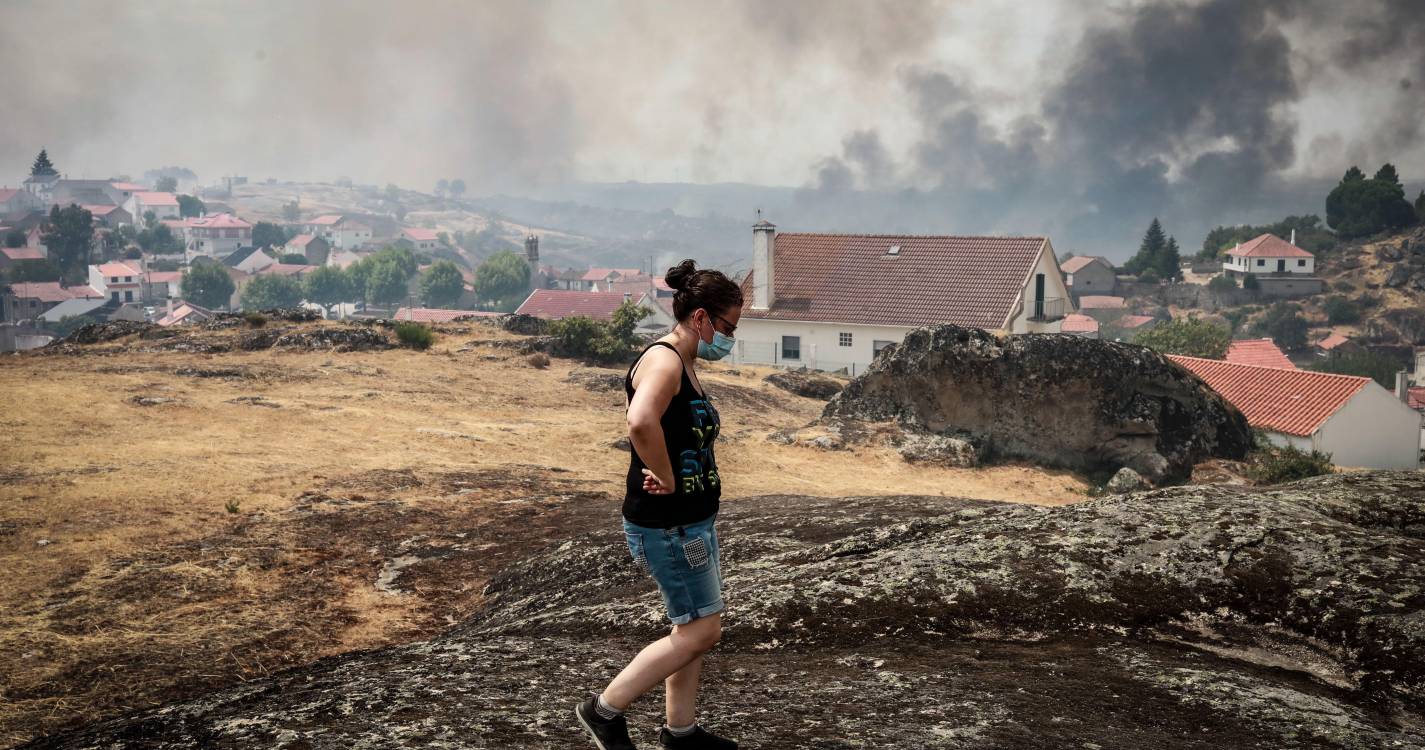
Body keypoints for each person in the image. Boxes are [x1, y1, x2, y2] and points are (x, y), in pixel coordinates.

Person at [576, 259, 742, 750]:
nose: (731, 337)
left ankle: (681, 732)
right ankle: (603, 710)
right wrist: (667, 477)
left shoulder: (684, 358)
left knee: (690, 626)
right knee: (703, 632)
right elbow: (640, 420)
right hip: (668, 526)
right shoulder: (667, 360)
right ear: (701, 319)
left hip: (691, 521)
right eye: (728, 326)